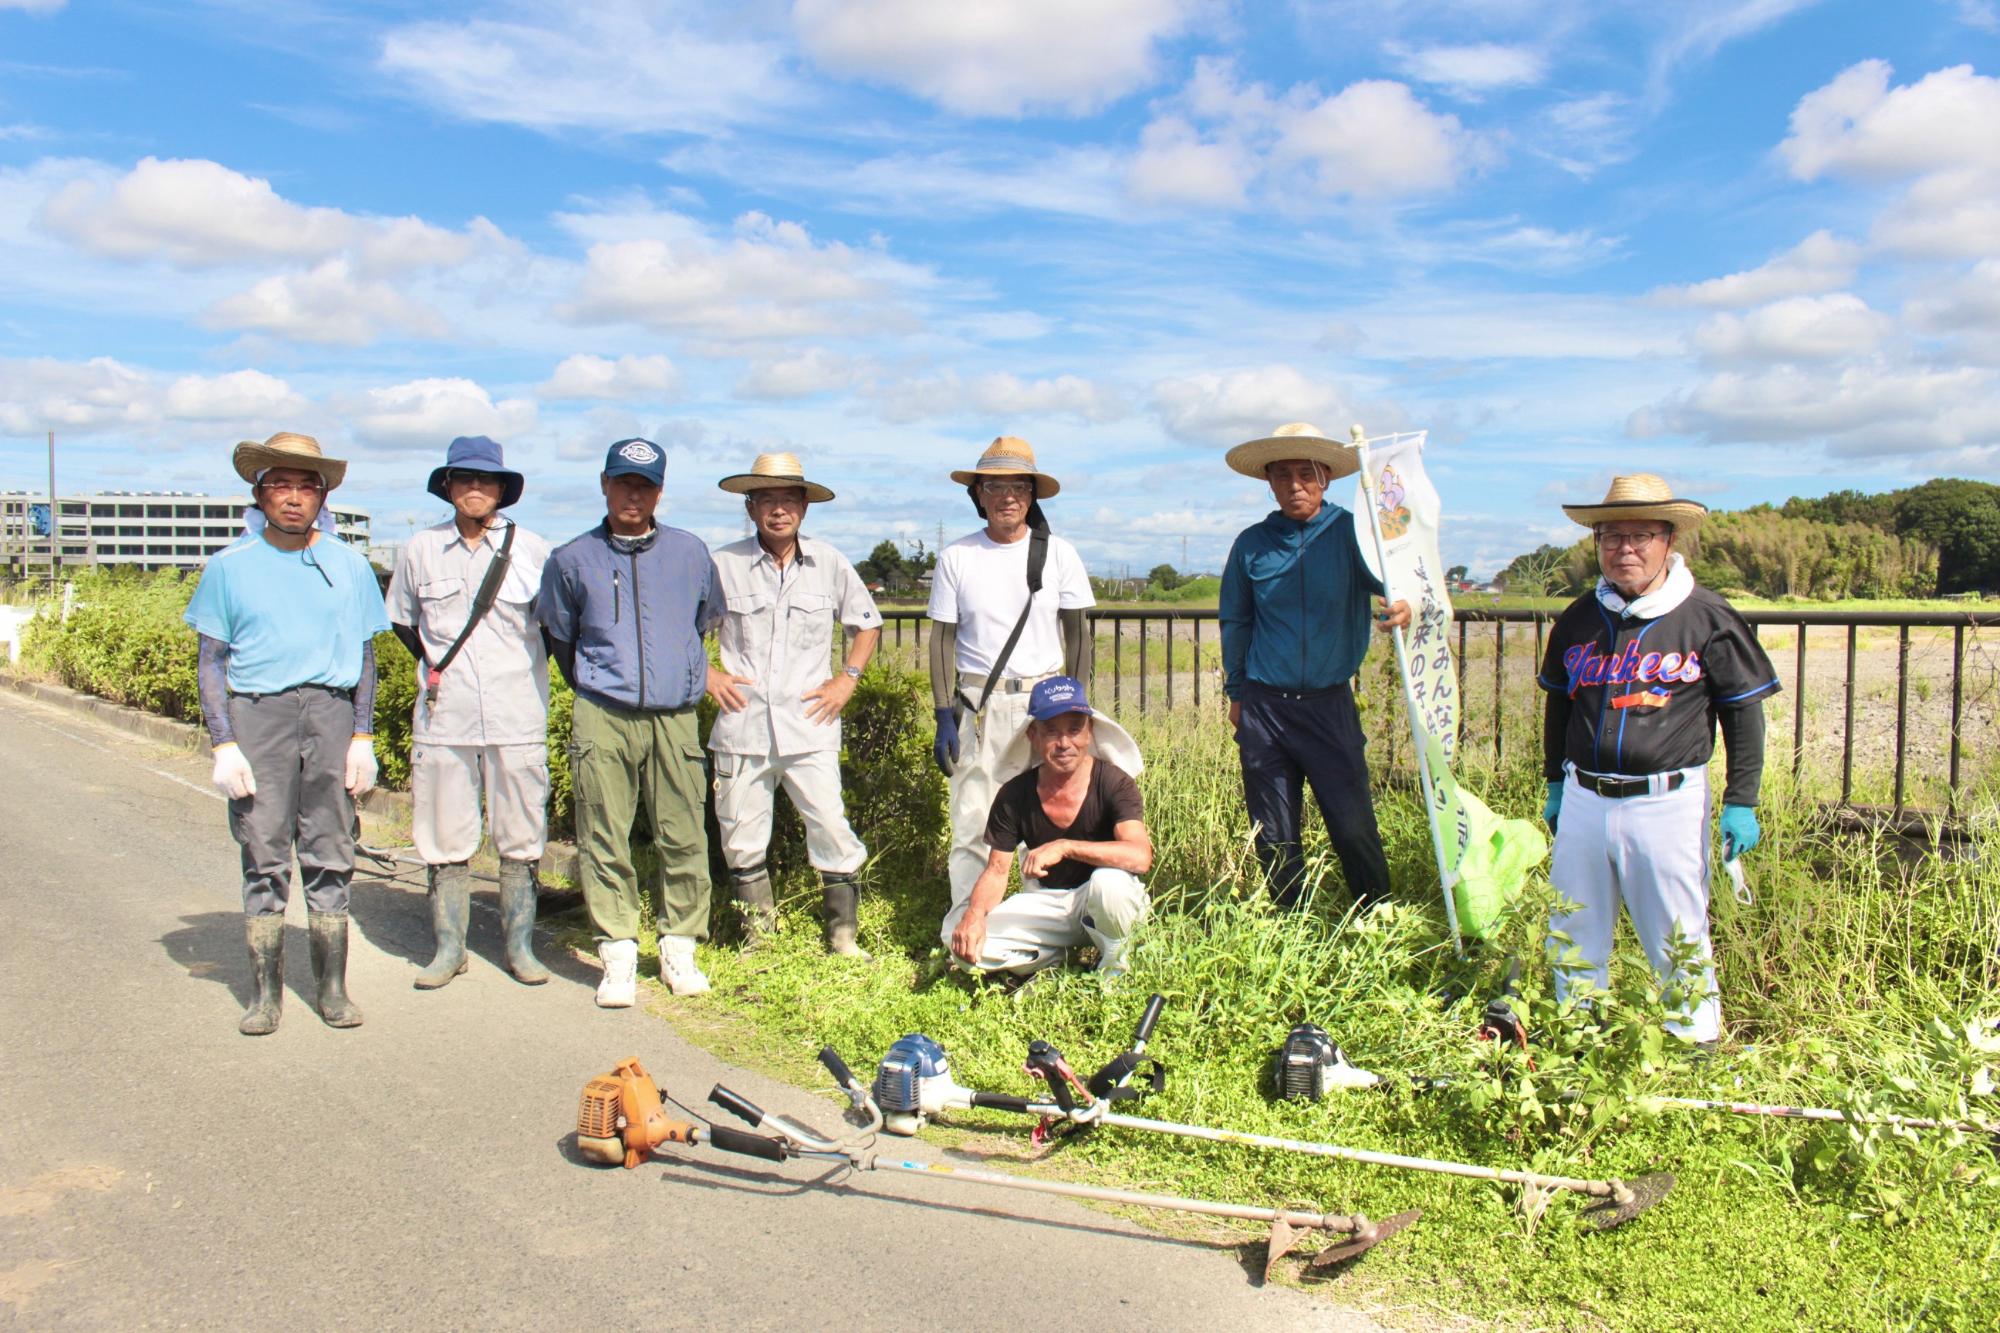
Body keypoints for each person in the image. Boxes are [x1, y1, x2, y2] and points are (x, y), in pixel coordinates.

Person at [1538, 474, 1778, 1048]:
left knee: (1676, 928)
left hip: (1666, 799)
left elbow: (1743, 712)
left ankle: (1694, 1043)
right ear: (1597, 543)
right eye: (1612, 536)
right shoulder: (1579, 618)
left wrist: (1741, 801)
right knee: (1573, 923)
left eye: (1641, 535)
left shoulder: (1706, 615)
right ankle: (1580, 1036)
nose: (1626, 548)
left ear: (1669, 540)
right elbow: (1558, 704)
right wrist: (1553, 783)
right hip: (1585, 797)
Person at [185, 432, 389, 1035]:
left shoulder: (350, 566)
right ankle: (264, 995)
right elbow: (211, 661)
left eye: (306, 486)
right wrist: (223, 742)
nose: (294, 498)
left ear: (322, 496)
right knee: (264, 850)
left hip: (327, 712)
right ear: (259, 493)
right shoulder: (228, 568)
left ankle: (331, 988)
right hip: (259, 714)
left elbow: (366, 657)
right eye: (281, 485)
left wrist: (362, 737)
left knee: (331, 848)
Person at [537, 438, 729, 1007]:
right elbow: (562, 640)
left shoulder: (691, 553)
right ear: (604, 484)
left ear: (660, 491)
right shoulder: (571, 559)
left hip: (674, 715)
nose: (633, 495)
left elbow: (702, 622)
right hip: (602, 711)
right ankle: (617, 950)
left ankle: (678, 944)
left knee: (684, 832)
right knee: (603, 832)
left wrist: (676, 676)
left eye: (644, 485)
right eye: (623, 482)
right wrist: (603, 681)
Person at [1218, 422, 1411, 910]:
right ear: (1269, 482)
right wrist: (1237, 694)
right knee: (1274, 827)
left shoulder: (1350, 533)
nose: (1295, 485)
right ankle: (1290, 921)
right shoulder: (1252, 544)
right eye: (1283, 475)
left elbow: (1391, 580)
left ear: (1326, 477)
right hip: (1265, 706)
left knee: (1352, 821)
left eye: (1306, 473)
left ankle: (1377, 914)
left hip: (1329, 703)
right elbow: (1236, 622)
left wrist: (1403, 603)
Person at [385, 435, 553, 989]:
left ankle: (520, 949)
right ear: (449, 486)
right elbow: (405, 622)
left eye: (486, 480)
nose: (475, 489)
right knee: (443, 831)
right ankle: (448, 948)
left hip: (516, 711)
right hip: (445, 714)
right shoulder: (419, 549)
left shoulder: (534, 551)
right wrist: (439, 670)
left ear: (502, 489)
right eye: (464, 479)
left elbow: (552, 629)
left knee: (521, 831)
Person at [708, 452, 883, 956]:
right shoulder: (723, 565)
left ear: (804, 507)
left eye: (788, 499)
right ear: (750, 506)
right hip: (742, 724)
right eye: (767, 499)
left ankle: (843, 937)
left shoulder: (828, 562)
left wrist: (846, 679)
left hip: (810, 722)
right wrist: (710, 675)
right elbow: (684, 630)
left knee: (830, 824)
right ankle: (757, 939)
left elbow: (866, 623)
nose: (778, 510)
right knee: (741, 833)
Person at [927, 436, 1095, 952]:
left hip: (1043, 704)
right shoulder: (957, 556)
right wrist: (943, 714)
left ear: (1032, 493)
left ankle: (1032, 934)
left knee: (1044, 817)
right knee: (974, 817)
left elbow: (1079, 633)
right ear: (978, 494)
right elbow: (941, 638)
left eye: (1018, 485)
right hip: (979, 702)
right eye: (995, 486)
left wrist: (1076, 708)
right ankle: (964, 927)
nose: (1007, 496)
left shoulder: (1059, 554)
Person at [950, 677, 1151, 977]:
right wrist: (974, 915)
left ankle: (1116, 967)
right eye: (1051, 732)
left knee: (1110, 884)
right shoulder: (1015, 794)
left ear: (1090, 731)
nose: (1064, 744)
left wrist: (1065, 847)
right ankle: (1054, 963)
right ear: (1033, 735)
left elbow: (1139, 856)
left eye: (1074, 729)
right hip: (1050, 903)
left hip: (1102, 901)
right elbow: (997, 870)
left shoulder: (1113, 782)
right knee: (968, 952)